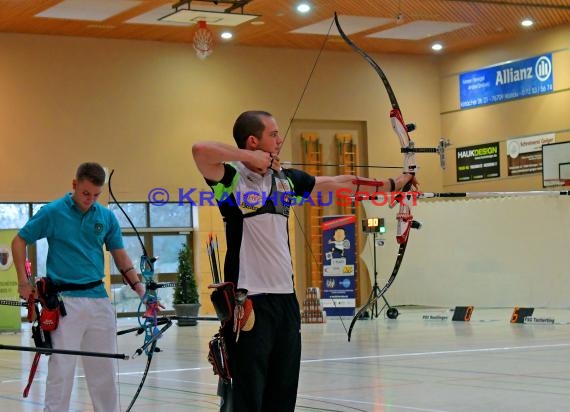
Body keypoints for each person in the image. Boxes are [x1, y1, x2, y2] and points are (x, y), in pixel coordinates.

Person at [192, 110, 417, 411]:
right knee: (249, 395)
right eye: (273, 134)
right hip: (250, 303)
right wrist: (248, 157)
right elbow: (200, 151)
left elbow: (341, 183)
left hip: (286, 302)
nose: (280, 139)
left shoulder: (286, 182)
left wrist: (394, 184)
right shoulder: (231, 182)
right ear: (252, 140)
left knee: (283, 392)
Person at [11, 162, 145, 412]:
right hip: (64, 303)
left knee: (104, 370)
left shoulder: (105, 216)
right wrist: (23, 281)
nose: (90, 200)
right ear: (74, 185)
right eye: (85, 193)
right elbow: (19, 241)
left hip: (99, 301)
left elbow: (120, 255)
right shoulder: (52, 212)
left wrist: (139, 287)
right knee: (62, 369)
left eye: (96, 195)